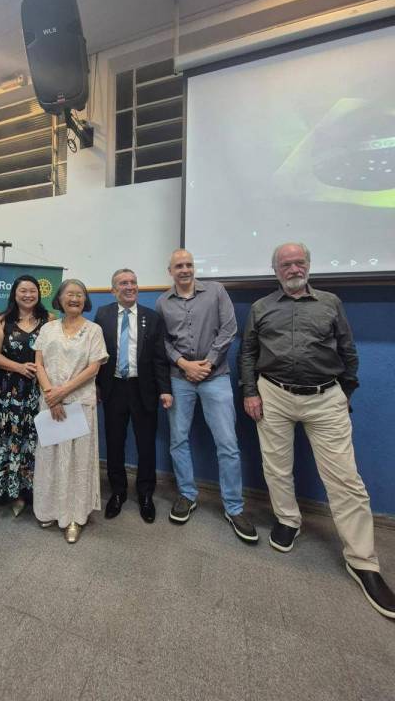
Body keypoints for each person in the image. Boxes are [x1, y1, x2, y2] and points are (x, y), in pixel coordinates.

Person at [240, 242, 395, 618]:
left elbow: (348, 349)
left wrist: (345, 391)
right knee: (276, 466)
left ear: (308, 265)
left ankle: (362, 560)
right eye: (286, 264)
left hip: (325, 398)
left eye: (299, 263)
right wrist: (250, 392)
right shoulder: (261, 307)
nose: (294, 269)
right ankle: (287, 520)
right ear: (275, 270)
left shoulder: (330, 303)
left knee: (345, 479)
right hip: (273, 394)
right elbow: (248, 352)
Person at [155, 249, 258, 543]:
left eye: (188, 264)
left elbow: (229, 329)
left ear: (194, 268)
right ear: (170, 271)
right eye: (178, 266)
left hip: (216, 377)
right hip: (180, 378)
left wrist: (207, 364)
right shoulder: (162, 302)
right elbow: (163, 341)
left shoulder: (216, 291)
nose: (184, 269)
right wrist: (184, 364)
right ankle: (187, 495)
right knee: (178, 439)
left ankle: (234, 507)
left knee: (227, 443)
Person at [33, 279, 108, 543]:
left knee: (77, 461)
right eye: (69, 294)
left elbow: (94, 367)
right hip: (50, 403)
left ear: (85, 300)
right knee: (51, 458)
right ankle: (50, 510)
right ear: (60, 299)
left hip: (79, 405)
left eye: (79, 295)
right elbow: (39, 364)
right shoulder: (48, 328)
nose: (74, 298)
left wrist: (62, 393)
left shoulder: (94, 330)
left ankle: (74, 517)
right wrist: (51, 396)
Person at [95, 268, 172, 523]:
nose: (130, 287)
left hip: (144, 388)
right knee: (115, 442)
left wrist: (165, 389)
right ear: (113, 290)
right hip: (114, 387)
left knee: (146, 444)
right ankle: (117, 492)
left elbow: (160, 357)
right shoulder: (103, 314)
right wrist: (95, 385)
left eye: (133, 282)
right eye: (123, 283)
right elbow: (96, 354)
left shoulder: (152, 317)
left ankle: (145, 493)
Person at [0, 275, 52, 515]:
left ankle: (34, 491)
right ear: (14, 294)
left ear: (38, 294)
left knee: (36, 441)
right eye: (23, 291)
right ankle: (11, 491)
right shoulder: (2, 321)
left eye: (32, 291)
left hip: (39, 391)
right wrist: (19, 367)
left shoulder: (49, 320)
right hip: (9, 392)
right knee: (11, 440)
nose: (28, 295)